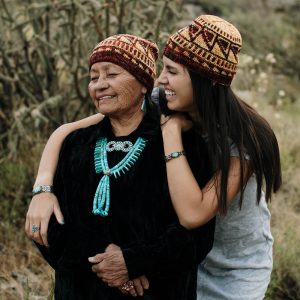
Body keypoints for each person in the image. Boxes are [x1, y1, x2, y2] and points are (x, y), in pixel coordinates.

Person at [26, 15, 282, 300]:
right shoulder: (162, 99)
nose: (161, 79)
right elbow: (66, 131)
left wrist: (171, 131)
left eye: (172, 71)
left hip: (233, 269)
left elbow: (193, 214)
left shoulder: (244, 139)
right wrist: (43, 189)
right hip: (180, 265)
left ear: (203, 81)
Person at [27, 33, 215, 300]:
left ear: (143, 84)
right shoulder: (75, 144)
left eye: (111, 74)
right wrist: (112, 268)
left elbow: (196, 238)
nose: (99, 85)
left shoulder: (182, 144)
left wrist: (134, 261)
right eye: (94, 77)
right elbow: (50, 227)